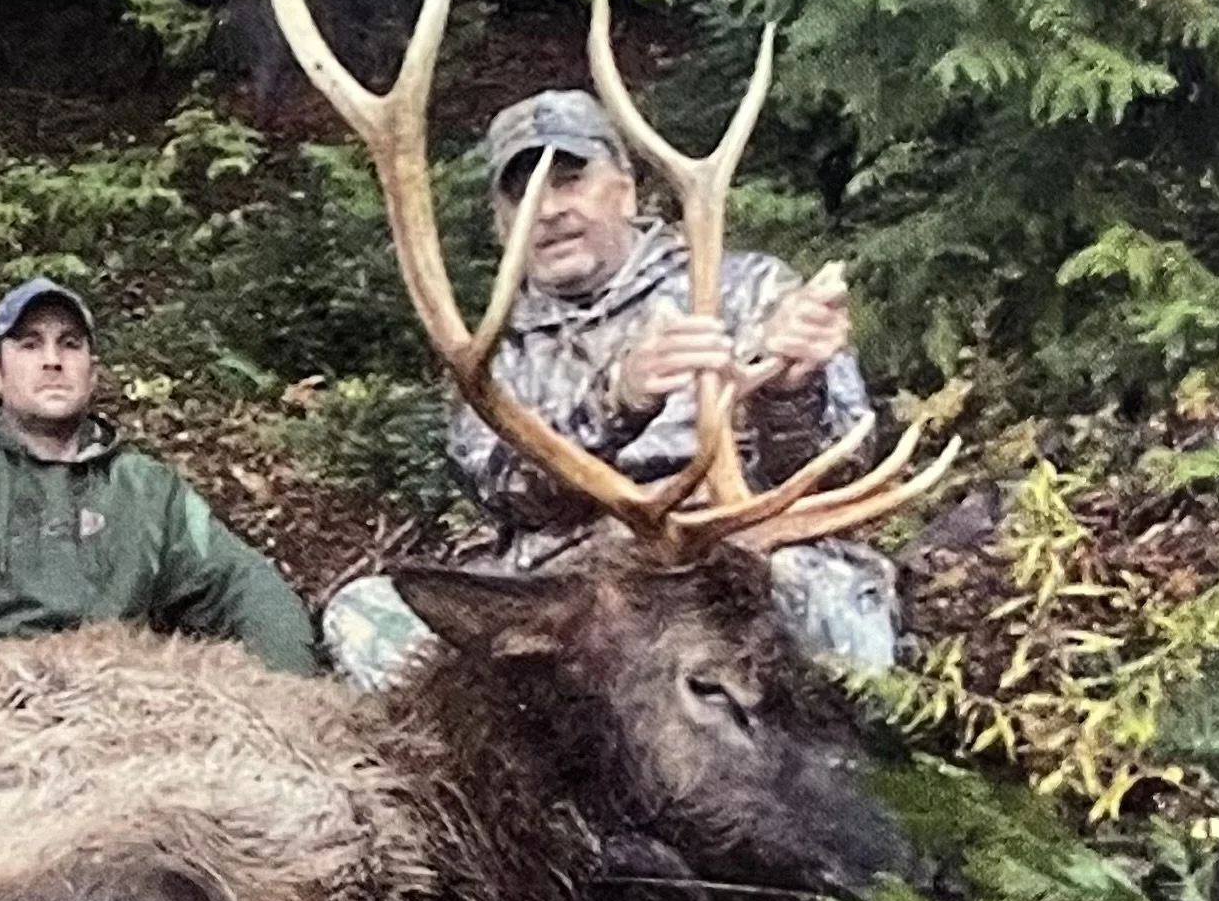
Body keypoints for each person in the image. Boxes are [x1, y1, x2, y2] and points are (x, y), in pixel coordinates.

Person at [324, 90, 895, 692]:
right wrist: (615, 401)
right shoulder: (493, 347)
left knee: (828, 595)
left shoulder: (751, 290)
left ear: (624, 190)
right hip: (578, 590)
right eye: (522, 194)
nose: (547, 211)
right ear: (499, 223)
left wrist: (788, 391)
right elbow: (501, 492)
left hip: (728, 568)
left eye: (569, 180)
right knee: (367, 613)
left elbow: (839, 474)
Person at [0, 278, 320, 675]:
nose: (52, 360)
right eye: (29, 344)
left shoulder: (148, 489)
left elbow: (245, 584)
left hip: (116, 705)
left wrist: (291, 694)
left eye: (70, 344)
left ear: (92, 372)